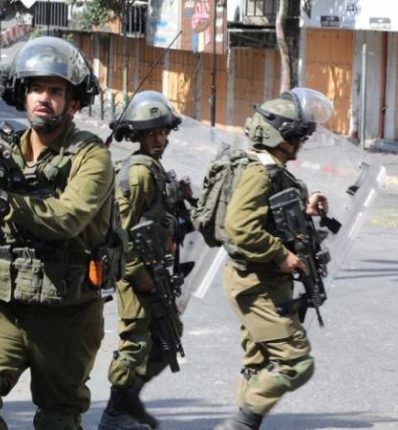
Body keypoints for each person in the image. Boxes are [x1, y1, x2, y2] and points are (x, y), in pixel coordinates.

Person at [0, 36, 119, 429]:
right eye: (36, 88)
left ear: (73, 102)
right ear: (22, 94)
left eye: (56, 91)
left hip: (67, 310)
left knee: (57, 421)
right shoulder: (5, 148)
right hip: (7, 307)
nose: (44, 98)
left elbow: (67, 218)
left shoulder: (91, 157)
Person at [214, 88, 334, 430]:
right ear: (280, 135)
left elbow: (273, 215)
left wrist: (306, 208)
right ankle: (240, 424)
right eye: (298, 136)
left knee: (258, 361)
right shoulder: (259, 171)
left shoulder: (271, 168)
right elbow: (241, 227)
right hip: (256, 283)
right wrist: (281, 254)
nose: (302, 142)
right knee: (296, 362)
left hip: (263, 281)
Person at [98, 91, 189, 430]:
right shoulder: (137, 173)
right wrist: (138, 273)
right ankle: (114, 413)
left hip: (154, 267)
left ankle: (129, 399)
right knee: (136, 341)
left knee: (167, 336)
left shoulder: (153, 168)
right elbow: (118, 229)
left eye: (163, 132)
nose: (160, 140)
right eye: (152, 134)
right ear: (137, 135)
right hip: (136, 271)